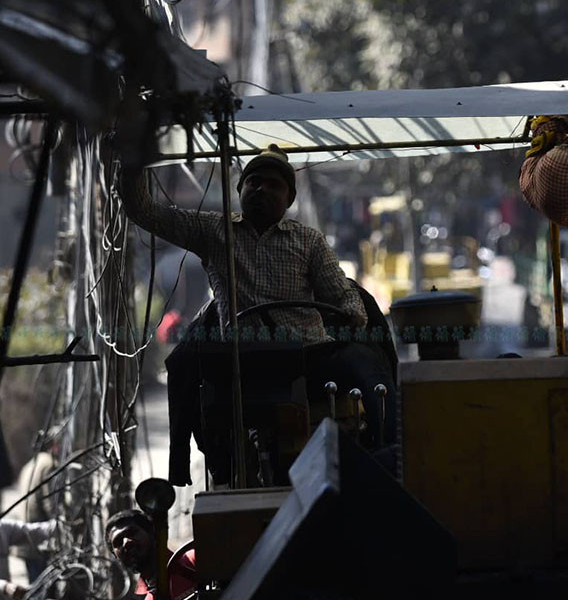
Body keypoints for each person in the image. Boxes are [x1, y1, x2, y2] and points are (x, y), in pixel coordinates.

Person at [119, 143, 397, 479]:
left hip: (307, 355)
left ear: (289, 199)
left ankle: (392, 452)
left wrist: (353, 312)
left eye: (274, 185)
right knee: (181, 364)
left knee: (365, 362)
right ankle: (192, 465)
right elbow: (144, 211)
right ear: (241, 189)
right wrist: (133, 152)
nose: (261, 189)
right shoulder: (213, 231)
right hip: (241, 359)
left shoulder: (309, 241)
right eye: (254, 182)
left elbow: (340, 292)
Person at [106, 509, 197, 600]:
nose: (126, 542)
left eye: (132, 533)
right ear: (116, 556)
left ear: (152, 533)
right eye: (118, 542)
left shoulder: (194, 561)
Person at [12, 432, 62, 581]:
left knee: (34, 583)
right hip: (40, 533)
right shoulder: (48, 464)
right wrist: (58, 524)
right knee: (43, 584)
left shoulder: (29, 465)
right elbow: (49, 500)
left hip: (26, 532)